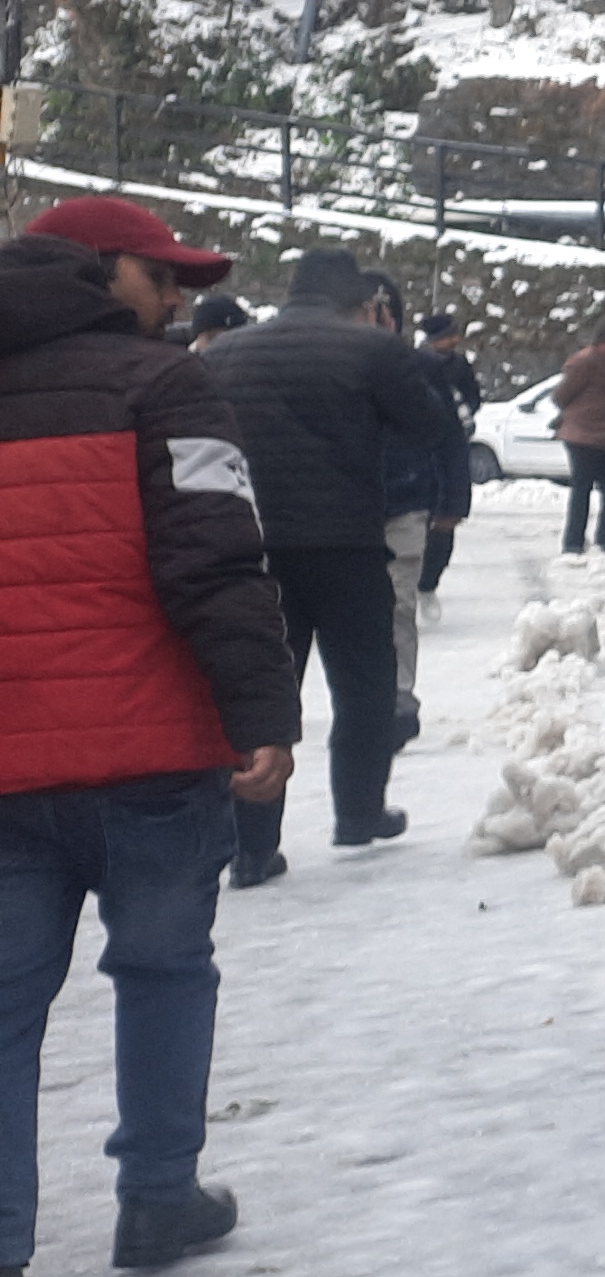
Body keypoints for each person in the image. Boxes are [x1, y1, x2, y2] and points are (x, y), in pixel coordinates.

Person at [0, 201, 296, 1277]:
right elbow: (216, 561)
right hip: (151, 751)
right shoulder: (163, 388)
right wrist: (260, 711)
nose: (176, 299)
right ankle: (157, 1201)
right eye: (159, 275)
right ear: (91, 271)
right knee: (166, 970)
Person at [195, 247, 457, 874]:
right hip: (346, 542)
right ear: (362, 301)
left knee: (262, 689)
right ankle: (359, 813)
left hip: (255, 551)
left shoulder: (225, 353)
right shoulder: (371, 349)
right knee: (364, 684)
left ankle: (253, 845)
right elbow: (433, 426)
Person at [363, 275, 463, 744]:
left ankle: (399, 696)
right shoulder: (328, 360)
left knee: (399, 603)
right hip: (342, 506)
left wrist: (450, 504)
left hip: (403, 500)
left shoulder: (420, 366)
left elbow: (447, 437)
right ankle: (363, 700)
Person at [410, 313, 481, 595]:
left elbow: (473, 398)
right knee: (418, 519)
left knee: (447, 519)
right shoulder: (412, 363)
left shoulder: (459, 364)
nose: (455, 340)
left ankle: (429, 583)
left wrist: (461, 412)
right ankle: (412, 581)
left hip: (452, 448)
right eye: (449, 335)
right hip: (421, 451)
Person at [554, 318, 605, 557]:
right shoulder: (584, 361)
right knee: (582, 488)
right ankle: (573, 541)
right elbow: (561, 395)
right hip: (582, 434)